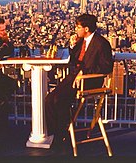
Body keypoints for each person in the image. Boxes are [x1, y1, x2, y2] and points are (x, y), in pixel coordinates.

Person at [45, 14, 114, 148]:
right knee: (51, 100)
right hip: (75, 77)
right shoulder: (82, 40)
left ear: (86, 28)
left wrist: (85, 72)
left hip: (87, 81)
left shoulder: (101, 43)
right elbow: (74, 59)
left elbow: (107, 67)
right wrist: (72, 45)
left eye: (78, 27)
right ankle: (57, 133)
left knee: (57, 100)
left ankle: (59, 136)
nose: (76, 30)